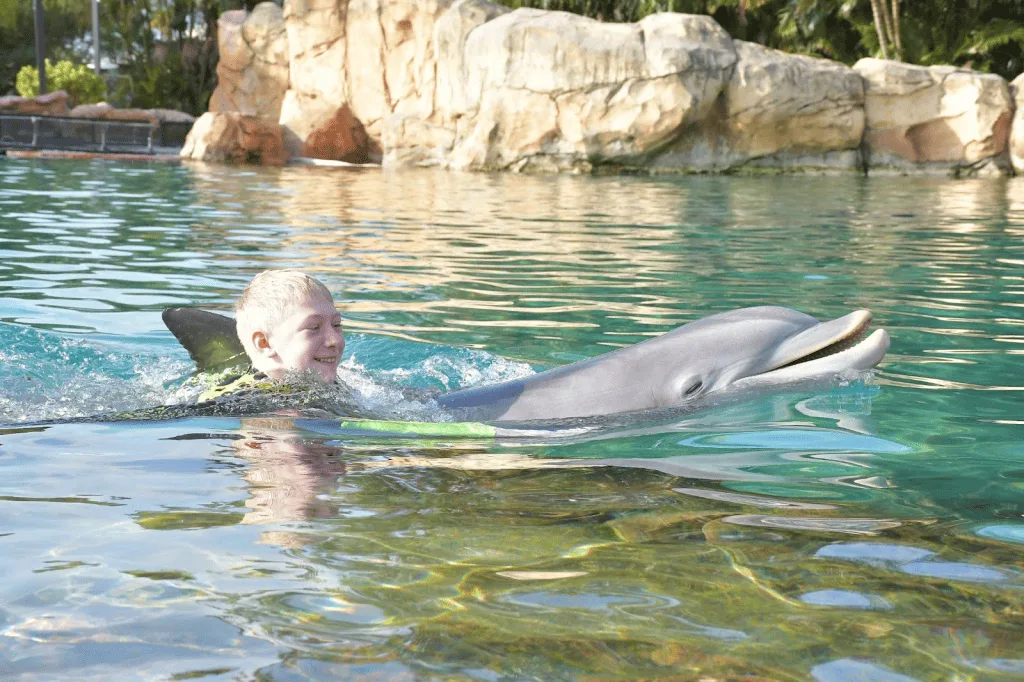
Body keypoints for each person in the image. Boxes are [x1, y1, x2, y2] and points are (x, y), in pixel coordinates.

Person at [197, 269, 344, 402]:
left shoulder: (332, 384)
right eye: (314, 327)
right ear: (264, 343)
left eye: (336, 324)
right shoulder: (243, 399)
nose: (335, 340)